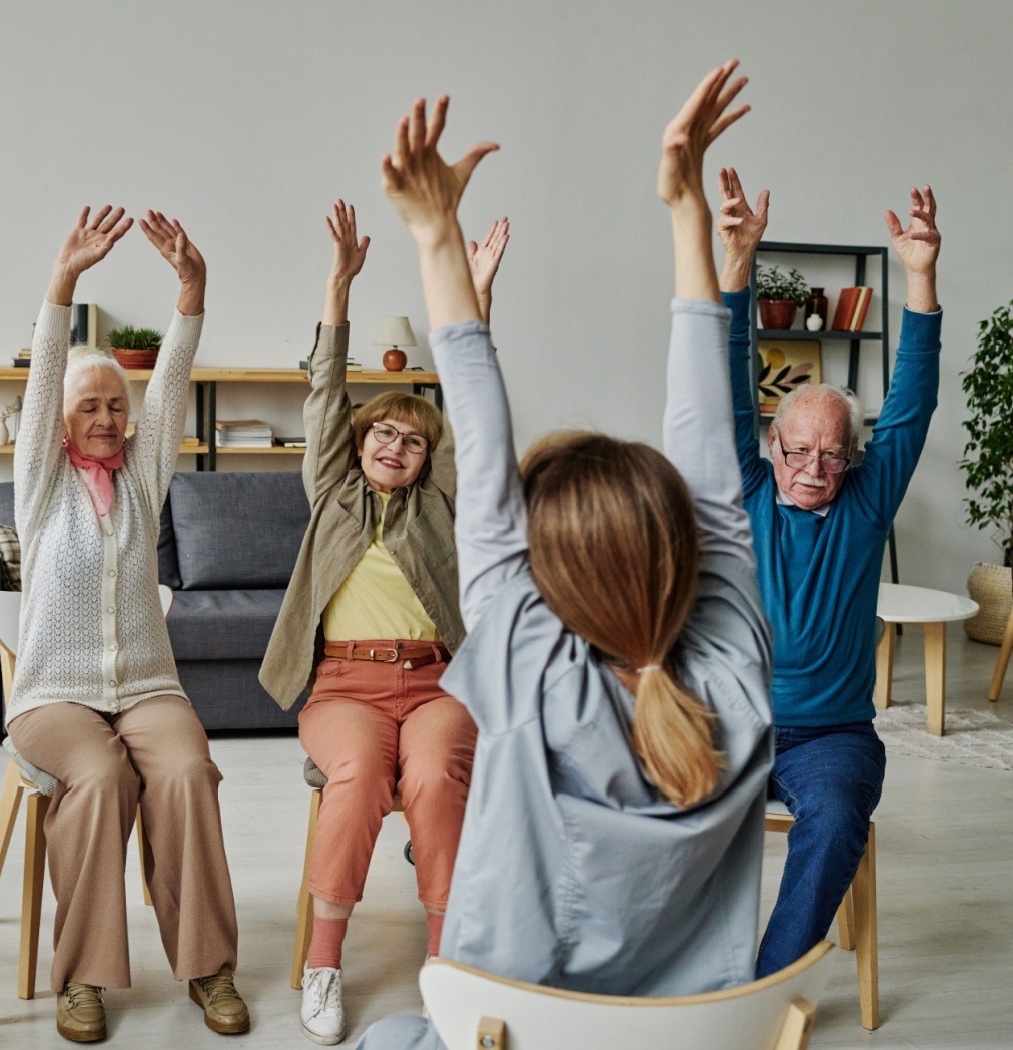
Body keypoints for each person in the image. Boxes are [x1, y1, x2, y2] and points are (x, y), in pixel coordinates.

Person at [360, 63, 775, 1048]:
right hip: (691, 1035)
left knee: (386, 1037)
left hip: (505, 1034)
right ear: (686, 563)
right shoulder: (737, 680)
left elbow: (496, 482)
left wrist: (434, 240)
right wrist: (685, 215)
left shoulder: (527, 673)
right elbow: (715, 472)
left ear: (541, 583)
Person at [260, 200, 507, 1044]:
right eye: (384, 434)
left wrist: (475, 301)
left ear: (428, 460)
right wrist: (339, 286)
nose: (396, 446)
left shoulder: (439, 506)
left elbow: (473, 416)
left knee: (437, 776)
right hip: (343, 686)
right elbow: (326, 391)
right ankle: (324, 965)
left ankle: (447, 962)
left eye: (413, 440)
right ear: (361, 444)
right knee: (360, 777)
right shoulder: (332, 491)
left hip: (437, 682)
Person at [5, 205, 248, 1043]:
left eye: (115, 405)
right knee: (102, 780)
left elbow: (173, 382)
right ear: (63, 423)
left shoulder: (143, 481)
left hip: (147, 686)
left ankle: (209, 967)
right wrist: (63, 283)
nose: (105, 418)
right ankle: (84, 979)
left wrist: (193, 291)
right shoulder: (40, 485)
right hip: (52, 697)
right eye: (88, 409)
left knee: (185, 772)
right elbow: (42, 381)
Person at [713, 167, 942, 978]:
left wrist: (919, 276)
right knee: (653, 800)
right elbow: (730, 380)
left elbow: (913, 402)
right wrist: (737, 262)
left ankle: (764, 988)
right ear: (773, 449)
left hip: (831, 736)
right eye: (798, 449)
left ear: (853, 458)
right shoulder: (746, 491)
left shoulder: (866, 503)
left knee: (840, 814)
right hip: (729, 725)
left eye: (831, 453)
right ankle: (676, 973)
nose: (813, 466)